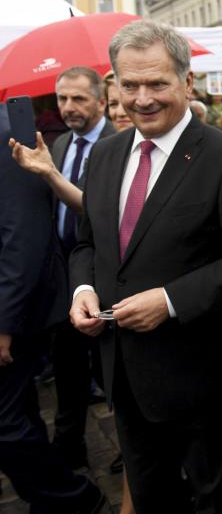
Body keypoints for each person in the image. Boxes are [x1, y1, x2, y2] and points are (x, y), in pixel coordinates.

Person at [68, 20, 222, 514]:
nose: (142, 98)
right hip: (125, 374)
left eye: (157, 83)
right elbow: (87, 243)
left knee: (218, 508)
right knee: (153, 501)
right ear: (113, 85)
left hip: (201, 375)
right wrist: (84, 288)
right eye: (129, 84)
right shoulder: (106, 153)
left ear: (186, 82)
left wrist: (170, 299)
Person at [1, 103, 107, 514]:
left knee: (7, 424)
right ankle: (50, 499)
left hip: (19, 307)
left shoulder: (11, 133)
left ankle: (70, 494)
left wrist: (4, 324)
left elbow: (22, 238)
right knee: (19, 414)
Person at [45, 67, 116, 470]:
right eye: (61, 99)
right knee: (68, 375)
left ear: (101, 102)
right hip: (63, 280)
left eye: (78, 99)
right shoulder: (58, 146)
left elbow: (99, 216)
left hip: (105, 279)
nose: (68, 107)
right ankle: (69, 451)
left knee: (111, 376)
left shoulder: (117, 145)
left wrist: (50, 176)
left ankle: (138, 455)